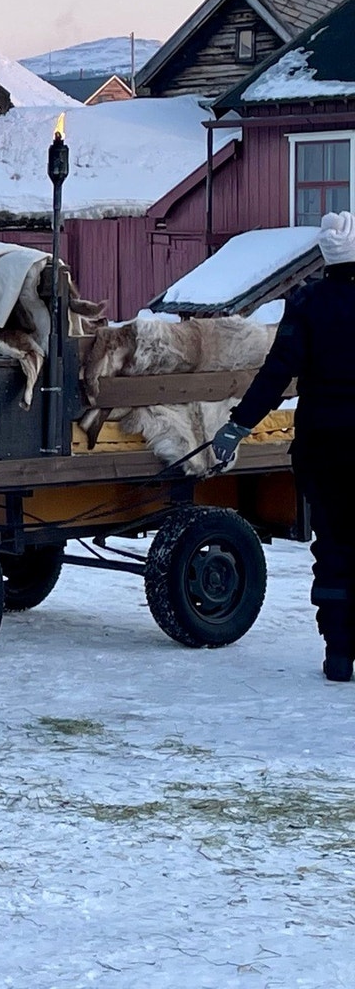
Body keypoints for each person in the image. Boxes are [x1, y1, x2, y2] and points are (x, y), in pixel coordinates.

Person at [214, 211, 355, 682]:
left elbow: (277, 373)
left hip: (322, 446)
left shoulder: (307, 304)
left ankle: (338, 653)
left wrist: (238, 425)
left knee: (332, 545)